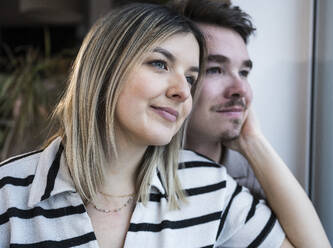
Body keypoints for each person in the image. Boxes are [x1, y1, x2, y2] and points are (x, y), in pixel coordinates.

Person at [0, 3, 289, 247]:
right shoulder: (9, 192)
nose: (183, 91)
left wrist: (253, 141)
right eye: (160, 64)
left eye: (191, 78)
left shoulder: (209, 187)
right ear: (104, 69)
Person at [178, 0, 331, 246]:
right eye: (216, 69)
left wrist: (253, 142)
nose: (240, 90)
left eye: (244, 73)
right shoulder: (138, 171)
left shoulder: (256, 173)